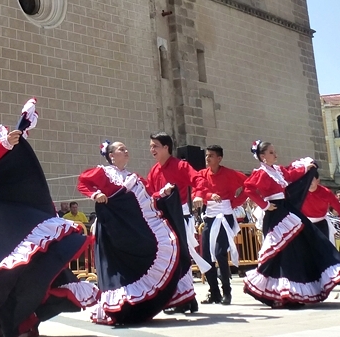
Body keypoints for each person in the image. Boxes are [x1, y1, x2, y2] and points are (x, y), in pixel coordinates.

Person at [0, 95, 98, 337]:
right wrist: (6, 144)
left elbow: (16, 160)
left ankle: (11, 317)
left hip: (12, 199)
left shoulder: (4, 131)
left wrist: (16, 137)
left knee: (20, 252)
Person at [77, 140, 187, 324]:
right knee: (116, 267)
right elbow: (83, 183)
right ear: (111, 155)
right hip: (112, 228)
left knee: (154, 250)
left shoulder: (133, 177)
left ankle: (137, 306)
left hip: (130, 228)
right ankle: (117, 308)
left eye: (126, 148)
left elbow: (149, 197)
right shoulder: (103, 172)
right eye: (121, 149)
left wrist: (164, 193)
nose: (126, 151)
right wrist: (95, 194)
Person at [242, 140, 340, 307]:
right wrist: (265, 205)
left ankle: (293, 291)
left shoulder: (278, 170)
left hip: (287, 211)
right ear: (262, 157)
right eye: (272, 152)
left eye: (274, 151)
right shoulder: (260, 173)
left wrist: (305, 168)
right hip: (275, 214)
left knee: (296, 249)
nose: (276, 155)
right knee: (282, 253)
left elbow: (290, 174)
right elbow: (248, 189)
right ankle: (283, 293)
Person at [146, 132, 207, 314]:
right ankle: (181, 298)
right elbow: (150, 194)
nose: (152, 149)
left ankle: (188, 298)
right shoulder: (154, 170)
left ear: (166, 147)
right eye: (151, 146)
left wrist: (198, 195)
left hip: (180, 217)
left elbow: (199, 179)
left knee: (182, 256)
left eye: (155, 146)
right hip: (163, 220)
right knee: (170, 258)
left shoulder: (180, 166)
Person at [195, 145, 246, 305]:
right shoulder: (202, 174)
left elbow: (249, 184)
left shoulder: (230, 174)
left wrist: (235, 202)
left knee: (219, 253)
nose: (207, 158)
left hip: (225, 216)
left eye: (211, 155)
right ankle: (214, 292)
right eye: (207, 155)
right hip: (209, 216)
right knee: (206, 256)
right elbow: (197, 190)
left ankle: (227, 291)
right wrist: (209, 195)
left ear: (219, 158)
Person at [302, 176, 340, 244]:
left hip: (322, 224)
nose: (309, 181)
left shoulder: (326, 192)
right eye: (307, 179)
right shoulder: (300, 191)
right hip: (305, 225)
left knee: (325, 250)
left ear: (318, 181)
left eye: (312, 179)